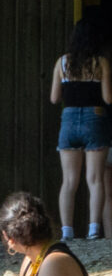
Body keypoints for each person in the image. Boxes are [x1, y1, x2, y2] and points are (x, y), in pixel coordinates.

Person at [51, 15, 109, 239]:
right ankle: (94, 230)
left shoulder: (62, 62)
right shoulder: (100, 63)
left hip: (69, 119)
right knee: (94, 179)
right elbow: (108, 97)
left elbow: (55, 98)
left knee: (69, 181)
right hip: (94, 118)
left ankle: (67, 232)